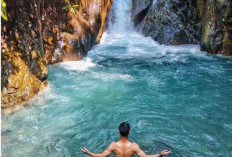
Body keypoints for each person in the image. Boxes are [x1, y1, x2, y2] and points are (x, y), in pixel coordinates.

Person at [81, 121, 170, 157]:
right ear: (129, 132)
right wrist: (160, 154)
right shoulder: (134, 146)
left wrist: (88, 152)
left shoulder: (113, 145)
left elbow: (101, 156)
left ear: (118, 131)